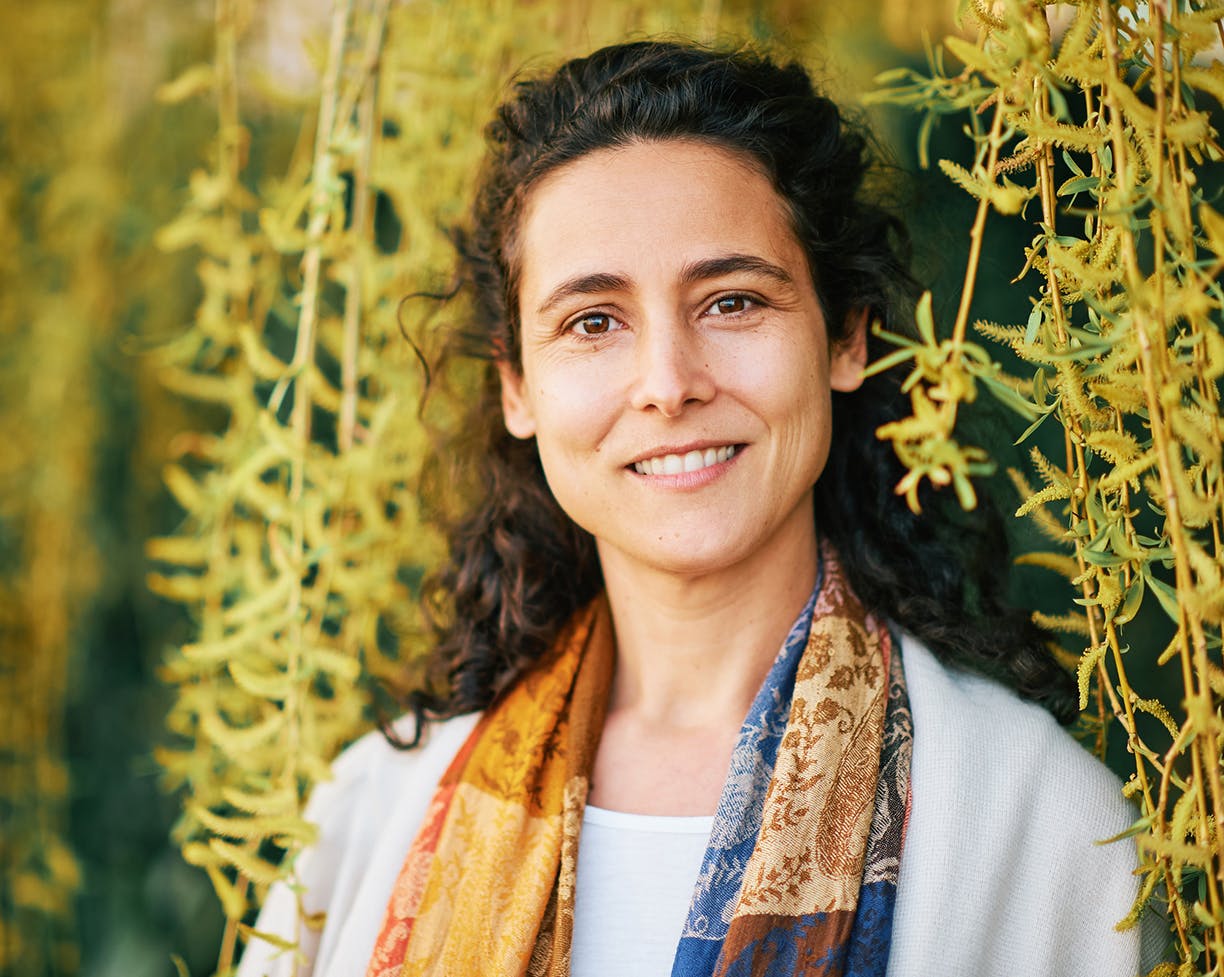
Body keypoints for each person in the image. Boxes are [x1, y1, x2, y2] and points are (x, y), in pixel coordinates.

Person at [238, 39, 1163, 977]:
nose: (668, 383)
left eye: (730, 301)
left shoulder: (1038, 822)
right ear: (518, 386)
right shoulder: (367, 819)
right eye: (593, 321)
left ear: (846, 337)